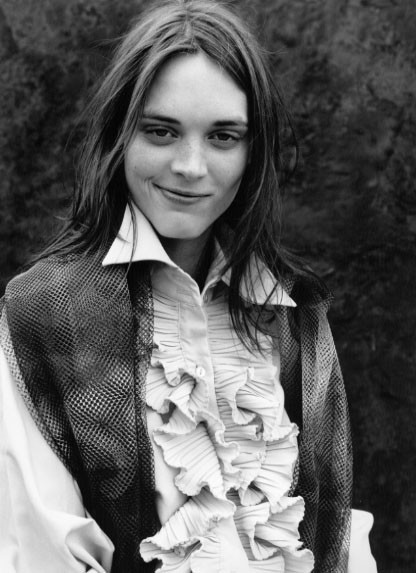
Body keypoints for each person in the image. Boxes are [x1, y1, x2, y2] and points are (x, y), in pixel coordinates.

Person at [0, 1, 377, 572]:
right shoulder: (45, 313)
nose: (191, 166)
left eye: (223, 136)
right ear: (119, 135)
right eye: (161, 131)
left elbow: (338, 535)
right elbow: (40, 552)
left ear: (253, 151)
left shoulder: (293, 310)